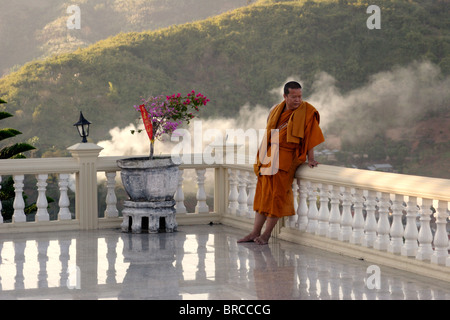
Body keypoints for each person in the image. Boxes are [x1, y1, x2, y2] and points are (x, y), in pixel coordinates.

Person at [238, 81, 324, 245]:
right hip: (269, 155)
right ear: (285, 96)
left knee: (277, 196)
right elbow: (269, 133)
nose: (297, 100)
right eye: (293, 97)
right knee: (263, 195)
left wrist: (310, 158)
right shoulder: (275, 110)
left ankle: (266, 235)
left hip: (287, 157)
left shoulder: (307, 111)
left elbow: (311, 136)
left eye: (300, 96)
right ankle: (254, 232)